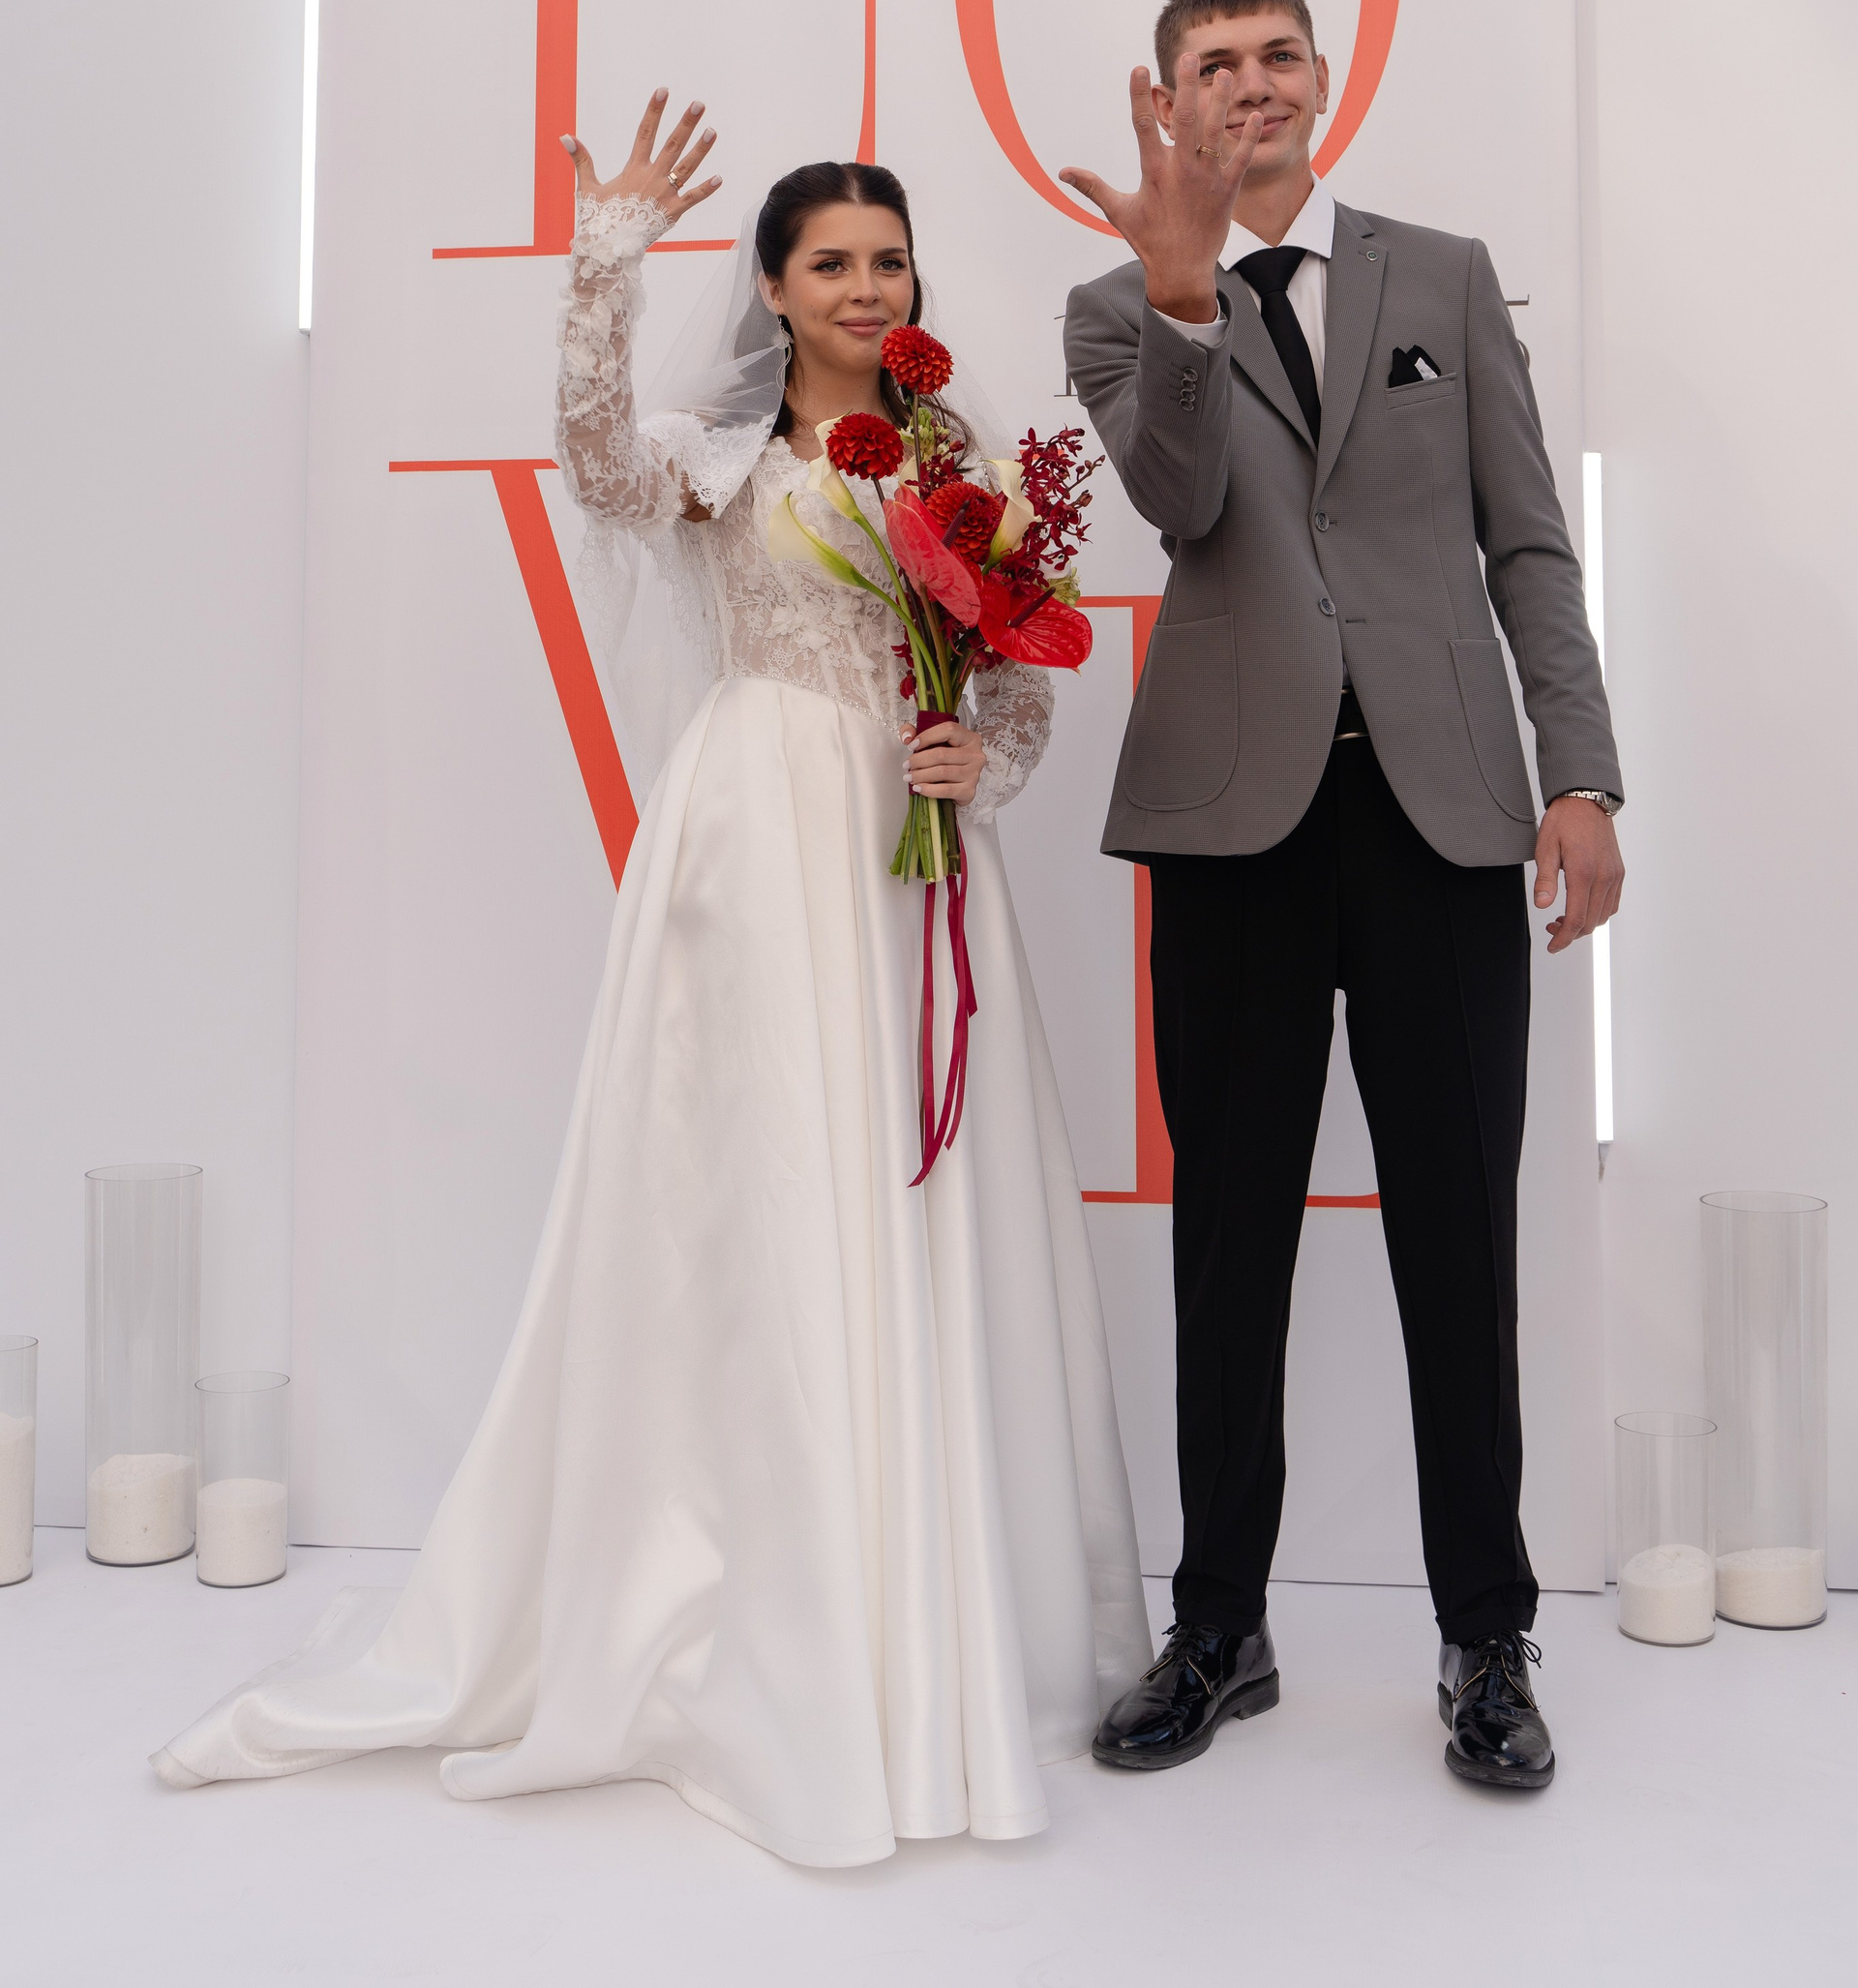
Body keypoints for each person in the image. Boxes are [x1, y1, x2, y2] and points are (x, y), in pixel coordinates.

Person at [153, 96, 1149, 1864]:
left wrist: (975, 759)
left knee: (914, 1193)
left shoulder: (959, 466)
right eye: (830, 261)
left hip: (907, 850)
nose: (866, 285)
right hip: (755, 838)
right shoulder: (722, 455)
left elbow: (1016, 684)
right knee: (757, 1194)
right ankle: (751, 1614)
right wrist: (605, 260)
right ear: (772, 285)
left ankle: (932, 1627)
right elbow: (600, 469)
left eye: (888, 259)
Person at [1061, 0, 1624, 1794]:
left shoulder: (1443, 276)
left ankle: (1487, 1637)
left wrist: (1581, 772)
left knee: (1460, 1236)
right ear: (1168, 99)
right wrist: (1180, 296)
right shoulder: (1116, 303)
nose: (1249, 85)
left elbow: (1527, 541)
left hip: (1442, 817)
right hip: (1236, 822)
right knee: (1230, 1237)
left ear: (1324, 75)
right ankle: (1220, 1624)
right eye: (1211, 65)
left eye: (1275, 55)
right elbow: (1181, 501)